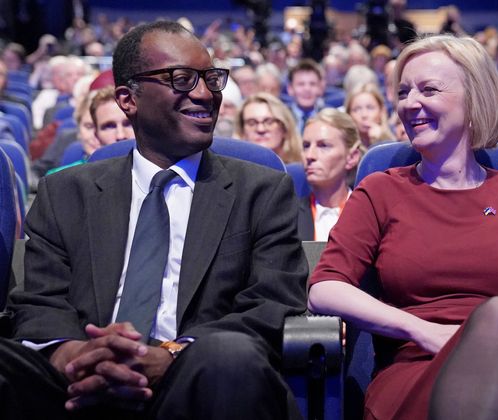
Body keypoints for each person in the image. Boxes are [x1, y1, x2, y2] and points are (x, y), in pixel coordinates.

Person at [0, 20, 307, 420]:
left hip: (194, 374)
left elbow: (271, 303)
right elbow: (41, 300)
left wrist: (170, 354)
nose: (204, 93)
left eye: (211, 79)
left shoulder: (261, 191)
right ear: (128, 99)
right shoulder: (66, 192)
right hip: (75, 382)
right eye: (182, 79)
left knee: (230, 356)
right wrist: (76, 356)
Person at [307, 34, 498, 420]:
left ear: (474, 100)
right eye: (404, 91)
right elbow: (324, 289)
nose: (410, 103)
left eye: (429, 89)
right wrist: (419, 329)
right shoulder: (380, 190)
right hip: (418, 367)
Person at [298, 108, 361, 241]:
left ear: (352, 157)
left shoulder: (369, 214)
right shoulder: (288, 216)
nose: (310, 156)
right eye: (306, 146)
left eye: (323, 146)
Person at [234, 92, 302, 164]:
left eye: (269, 122)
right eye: (252, 123)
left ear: (284, 127)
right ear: (242, 130)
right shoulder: (234, 171)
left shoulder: (303, 169)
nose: (261, 129)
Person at [345, 83, 395, 148]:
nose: (364, 115)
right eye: (357, 109)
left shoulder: (397, 137)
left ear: (381, 111)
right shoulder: (344, 147)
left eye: (370, 108)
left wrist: (382, 139)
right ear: (349, 114)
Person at [286, 58, 325, 134]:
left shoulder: (328, 118)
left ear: (320, 88)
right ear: (290, 89)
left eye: (312, 84)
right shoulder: (282, 118)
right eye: (301, 84)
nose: (307, 89)